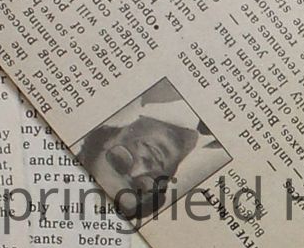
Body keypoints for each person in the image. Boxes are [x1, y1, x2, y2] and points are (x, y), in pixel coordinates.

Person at [76, 79, 230, 221]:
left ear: (107, 136)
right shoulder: (227, 146)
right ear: (162, 187)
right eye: (140, 187)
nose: (143, 167)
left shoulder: (162, 85)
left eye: (119, 162)